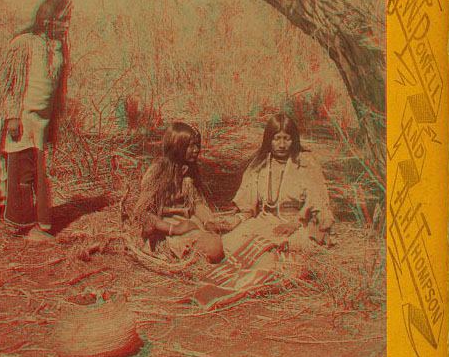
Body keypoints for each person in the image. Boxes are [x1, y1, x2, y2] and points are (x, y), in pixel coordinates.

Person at [0, 0, 72, 242]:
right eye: (62, 20)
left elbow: (54, 92)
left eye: (68, 20)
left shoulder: (57, 47)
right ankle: (19, 224)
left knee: (35, 170)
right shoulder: (24, 43)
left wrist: (52, 122)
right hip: (21, 118)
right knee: (18, 171)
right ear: (47, 20)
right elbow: (8, 83)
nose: (66, 25)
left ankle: (24, 220)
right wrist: (12, 116)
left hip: (40, 122)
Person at [222, 113, 334, 255]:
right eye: (276, 139)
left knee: (283, 251)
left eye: (287, 139)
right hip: (266, 220)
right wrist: (237, 220)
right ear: (269, 140)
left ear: (294, 140)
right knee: (229, 244)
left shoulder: (306, 163)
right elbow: (247, 204)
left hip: (299, 224)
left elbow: (318, 203)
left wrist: (295, 223)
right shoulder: (260, 162)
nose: (282, 145)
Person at [131, 122, 225, 264]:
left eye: (197, 145)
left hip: (187, 221)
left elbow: (197, 202)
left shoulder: (190, 169)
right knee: (213, 249)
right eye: (191, 146)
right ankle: (165, 249)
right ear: (177, 146)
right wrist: (174, 229)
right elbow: (143, 213)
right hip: (164, 226)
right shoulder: (159, 170)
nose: (196, 150)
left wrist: (207, 221)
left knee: (220, 243)